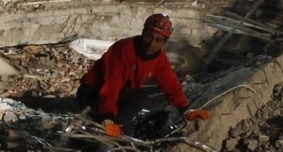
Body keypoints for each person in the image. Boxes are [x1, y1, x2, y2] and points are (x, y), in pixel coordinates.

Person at [79, 13, 209, 138]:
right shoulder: (124, 49)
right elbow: (111, 85)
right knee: (137, 98)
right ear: (143, 33)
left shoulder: (160, 60)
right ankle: (101, 128)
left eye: (158, 40)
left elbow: (171, 85)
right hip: (92, 91)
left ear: (163, 43)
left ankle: (116, 128)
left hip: (120, 93)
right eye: (149, 36)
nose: (151, 44)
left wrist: (186, 110)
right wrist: (107, 118)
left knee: (140, 98)